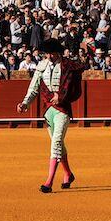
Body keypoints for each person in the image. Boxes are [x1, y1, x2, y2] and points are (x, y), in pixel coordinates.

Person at [17, 39, 81, 193]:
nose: (49, 56)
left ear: (58, 52)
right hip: (48, 110)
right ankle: (67, 173)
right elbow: (34, 88)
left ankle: (49, 182)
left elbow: (75, 91)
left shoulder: (68, 67)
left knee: (56, 142)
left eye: (52, 53)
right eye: (47, 54)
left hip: (62, 109)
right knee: (57, 142)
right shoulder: (42, 66)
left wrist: (62, 97)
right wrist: (25, 103)